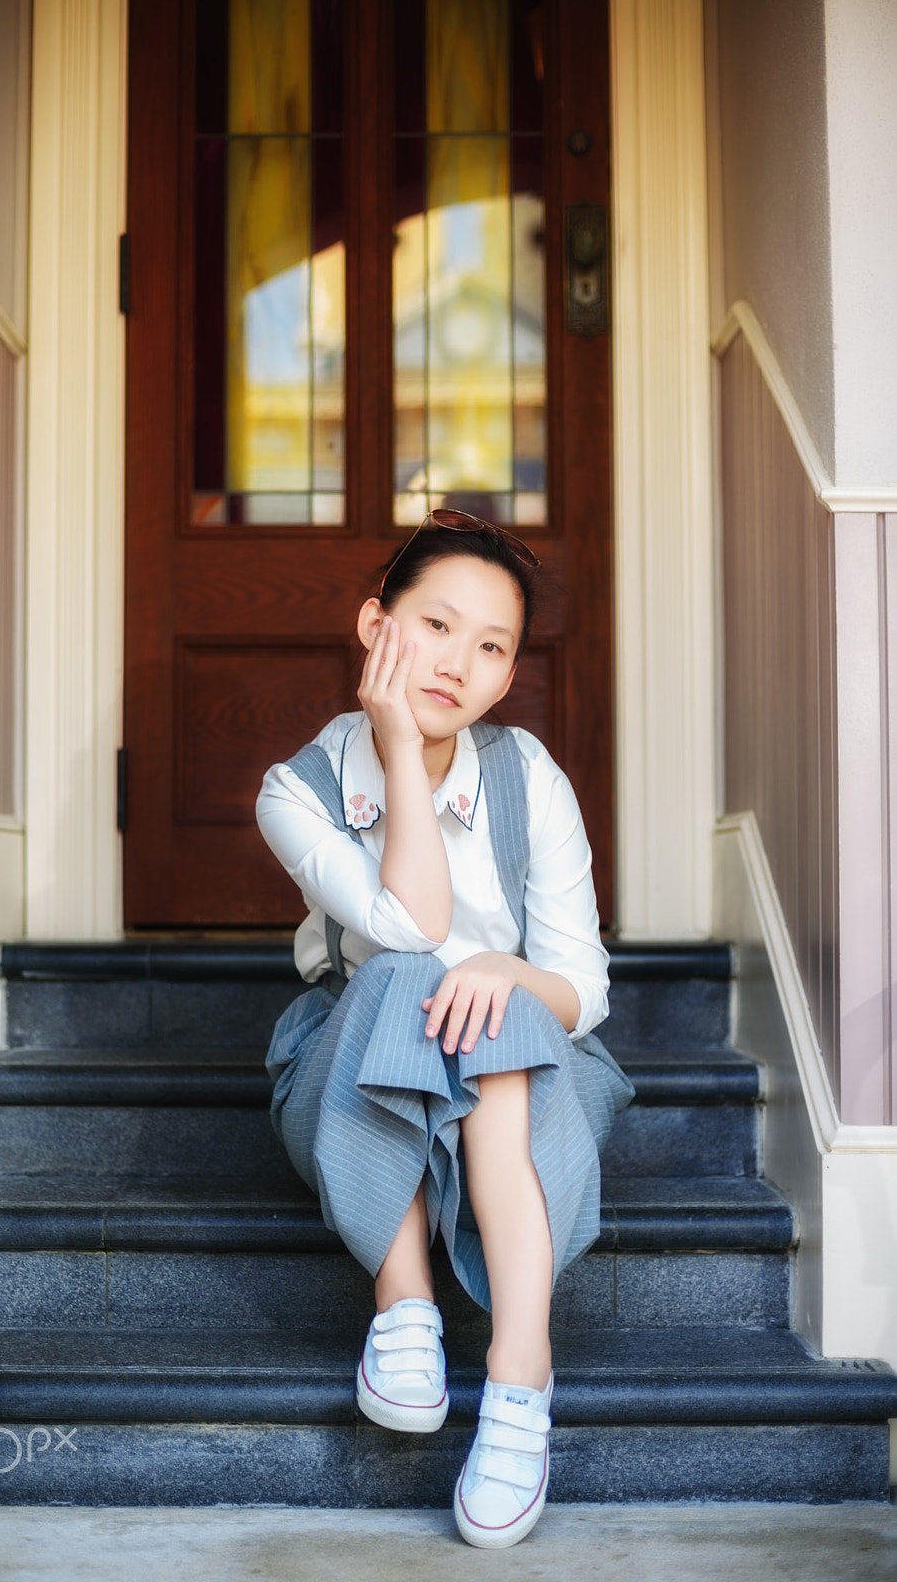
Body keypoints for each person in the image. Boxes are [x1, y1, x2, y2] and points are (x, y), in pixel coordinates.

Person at [255, 510, 633, 1548]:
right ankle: (406, 1304)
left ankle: (519, 1372)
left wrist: (507, 973)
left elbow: (582, 989)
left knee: (499, 1004)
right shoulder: (298, 790)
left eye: (492, 646)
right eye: (436, 624)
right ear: (376, 625)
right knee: (407, 974)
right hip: (353, 1077)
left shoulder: (530, 777)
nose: (459, 664)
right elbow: (407, 925)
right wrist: (397, 749)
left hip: (527, 1084)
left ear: (510, 675)